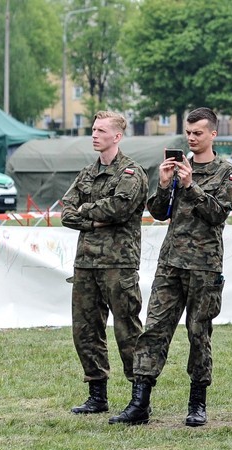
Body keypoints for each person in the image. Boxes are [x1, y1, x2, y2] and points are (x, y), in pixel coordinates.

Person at [109, 107, 232, 427]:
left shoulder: (226, 171)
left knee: (198, 334)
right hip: (170, 263)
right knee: (154, 330)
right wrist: (165, 184)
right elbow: (159, 213)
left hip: (204, 267)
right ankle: (140, 402)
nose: (192, 139)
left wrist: (191, 186)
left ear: (212, 135)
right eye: (188, 133)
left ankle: (197, 403)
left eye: (198, 133)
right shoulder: (180, 167)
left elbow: (218, 214)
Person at [61, 111, 149, 415]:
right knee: (85, 329)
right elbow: (66, 213)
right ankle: (96, 394)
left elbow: (120, 208)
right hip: (86, 263)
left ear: (117, 136)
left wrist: (88, 213)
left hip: (118, 263)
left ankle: (140, 398)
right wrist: (95, 221)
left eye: (101, 130)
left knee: (127, 329)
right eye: (94, 129)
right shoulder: (86, 173)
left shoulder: (132, 173)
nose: (95, 134)